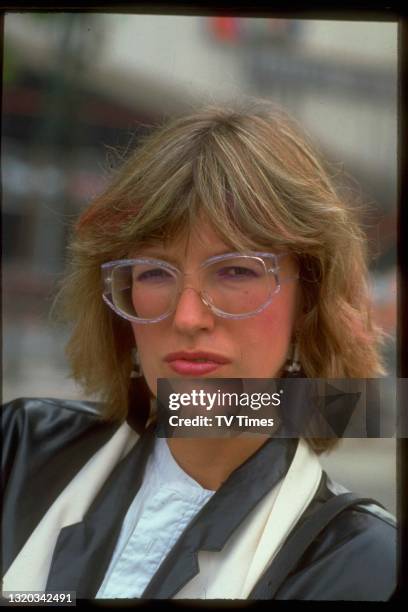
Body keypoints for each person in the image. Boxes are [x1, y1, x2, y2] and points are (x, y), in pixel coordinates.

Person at [1, 101, 396, 601]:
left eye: (236, 271)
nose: (188, 317)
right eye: (154, 273)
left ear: (309, 303)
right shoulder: (21, 453)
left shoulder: (365, 566)